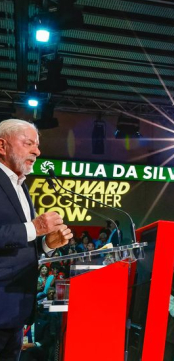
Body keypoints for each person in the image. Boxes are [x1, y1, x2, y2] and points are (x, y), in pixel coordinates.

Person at [0, 119, 72, 359]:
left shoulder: (20, 185)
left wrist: (46, 244)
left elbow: (16, 246)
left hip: (15, 310)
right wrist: (35, 227)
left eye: (37, 145)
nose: (37, 151)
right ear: (2, 146)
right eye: (28, 143)